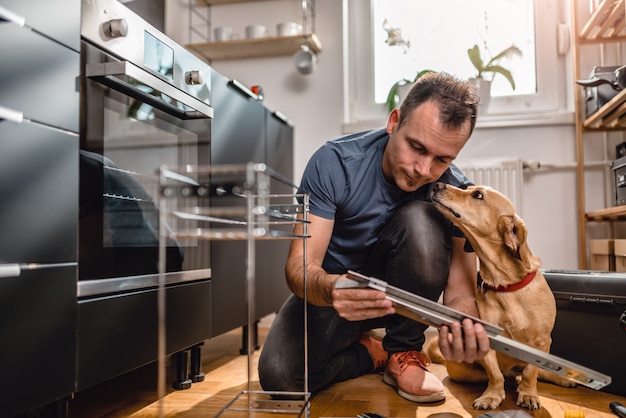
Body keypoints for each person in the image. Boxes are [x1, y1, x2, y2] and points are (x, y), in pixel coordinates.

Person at [258, 72, 491, 403]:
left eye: (442, 159)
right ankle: (372, 352)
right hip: (335, 296)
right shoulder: (335, 163)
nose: (424, 170)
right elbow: (299, 266)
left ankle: (403, 351)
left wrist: (463, 324)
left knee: (422, 216)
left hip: (405, 308)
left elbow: (461, 295)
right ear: (394, 122)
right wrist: (331, 288)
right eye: (416, 147)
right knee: (281, 375)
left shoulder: (456, 194)